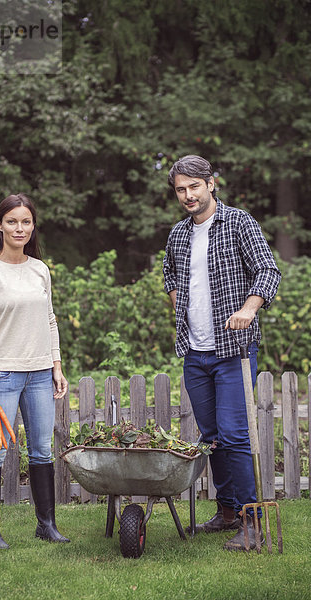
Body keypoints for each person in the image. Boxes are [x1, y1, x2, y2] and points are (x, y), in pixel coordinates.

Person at [163, 155, 281, 551]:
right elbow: (171, 276)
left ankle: (252, 521)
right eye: (181, 190)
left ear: (210, 184)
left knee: (234, 435)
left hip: (234, 350)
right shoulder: (178, 235)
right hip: (195, 353)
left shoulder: (238, 223)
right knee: (212, 438)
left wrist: (249, 309)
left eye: (194, 187)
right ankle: (227, 511)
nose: (188, 196)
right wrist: (182, 309)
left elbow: (268, 270)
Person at [0, 192, 70, 549]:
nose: (19, 228)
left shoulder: (39, 268)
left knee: (42, 451)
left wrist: (56, 364)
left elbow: (49, 319)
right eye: (12, 221)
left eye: (26, 221)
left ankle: (47, 525)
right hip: (4, 375)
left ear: (32, 226)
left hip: (41, 373)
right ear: (0, 225)